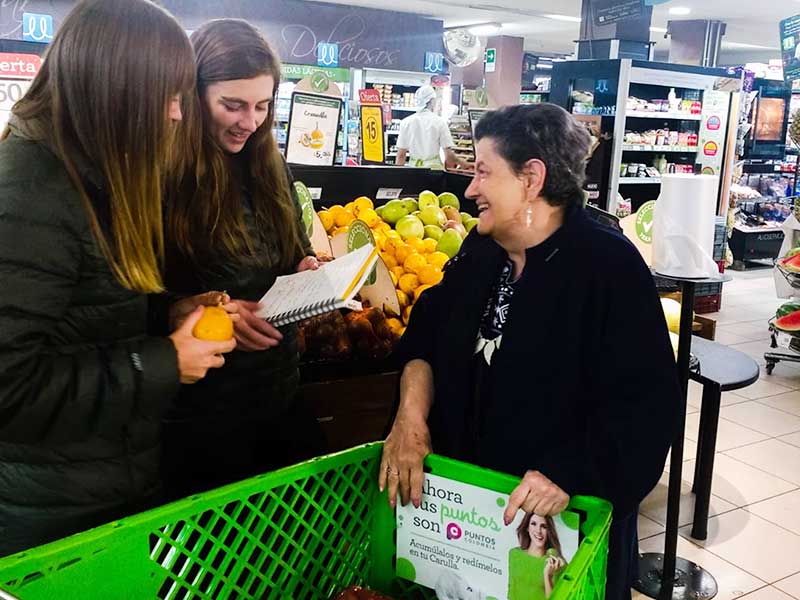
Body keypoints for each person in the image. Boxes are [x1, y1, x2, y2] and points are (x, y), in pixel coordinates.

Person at [378, 103, 680, 600]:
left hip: (555, 534)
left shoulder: (608, 267)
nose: (470, 188)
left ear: (531, 178)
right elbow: (426, 335)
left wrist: (570, 472)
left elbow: (646, 405)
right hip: (466, 525)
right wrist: (410, 420)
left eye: (483, 171)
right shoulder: (481, 251)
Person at [0, 0, 236, 558]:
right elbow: (9, 386)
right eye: (168, 95)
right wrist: (164, 361)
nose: (178, 115)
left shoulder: (88, 173)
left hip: (95, 489)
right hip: (49, 518)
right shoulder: (30, 196)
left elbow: (79, 314)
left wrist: (166, 317)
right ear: (115, 90)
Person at [161, 19, 325, 500]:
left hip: (279, 391)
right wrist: (209, 312)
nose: (249, 122)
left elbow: (295, 246)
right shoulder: (160, 176)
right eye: (231, 105)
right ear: (192, 96)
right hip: (200, 416)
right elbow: (131, 295)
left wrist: (307, 269)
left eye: (262, 106)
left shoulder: (267, 160)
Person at [395, 84, 466, 170]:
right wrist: (462, 163)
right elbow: (449, 156)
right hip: (434, 171)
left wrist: (397, 178)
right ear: (432, 101)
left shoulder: (406, 122)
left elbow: (401, 155)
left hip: (413, 171)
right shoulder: (440, 122)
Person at [508, 513, 566, 600]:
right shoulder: (514, 554)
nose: (538, 531)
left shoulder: (555, 563)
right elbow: (511, 589)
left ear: (549, 531)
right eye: (533, 524)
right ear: (527, 527)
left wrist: (548, 576)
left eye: (544, 526)